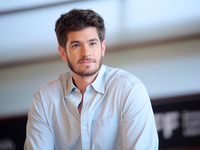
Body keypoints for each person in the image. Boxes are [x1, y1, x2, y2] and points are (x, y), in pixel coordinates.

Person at [24, 9, 158, 150]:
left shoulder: (130, 90)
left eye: (92, 43)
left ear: (102, 48)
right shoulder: (44, 99)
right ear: (63, 53)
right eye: (76, 45)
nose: (86, 53)